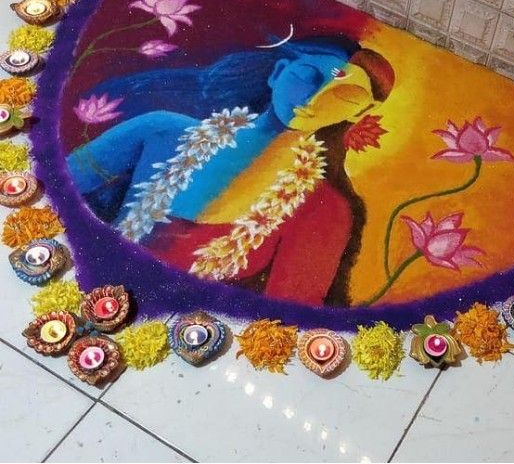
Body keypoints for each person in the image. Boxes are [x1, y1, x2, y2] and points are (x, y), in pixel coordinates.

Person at [67, 36, 395, 306]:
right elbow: (59, 188)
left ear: (360, 113)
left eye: (345, 95)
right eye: (307, 77)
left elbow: (285, 321)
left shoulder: (324, 211)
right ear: (278, 72)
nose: (315, 98)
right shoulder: (161, 130)